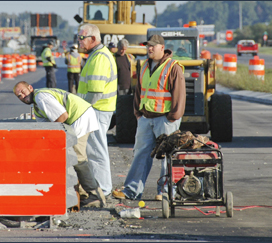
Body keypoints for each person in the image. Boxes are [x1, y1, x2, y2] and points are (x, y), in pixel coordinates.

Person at [112, 34, 186, 201]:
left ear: (162, 48)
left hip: (166, 120)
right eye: (148, 46)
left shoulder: (173, 67)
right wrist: (138, 114)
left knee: (168, 156)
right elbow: (139, 91)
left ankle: (165, 191)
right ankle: (132, 190)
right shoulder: (144, 65)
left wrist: (173, 117)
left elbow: (179, 94)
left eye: (153, 46)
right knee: (141, 154)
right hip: (146, 119)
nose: (149, 48)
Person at [13, 81, 107, 208]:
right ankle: (84, 195)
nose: (22, 96)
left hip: (80, 117)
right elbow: (45, 129)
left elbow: (62, 116)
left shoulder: (41, 97)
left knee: (78, 159)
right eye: (19, 96)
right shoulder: (37, 107)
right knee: (72, 157)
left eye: (23, 92)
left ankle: (96, 196)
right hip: (78, 117)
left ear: (30, 88)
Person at [77, 23, 117, 197]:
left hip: (96, 110)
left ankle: (103, 188)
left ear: (93, 39)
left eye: (81, 38)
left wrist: (81, 110)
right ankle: (99, 187)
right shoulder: (97, 55)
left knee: (97, 151)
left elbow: (95, 92)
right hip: (97, 110)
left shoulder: (99, 57)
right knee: (93, 150)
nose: (79, 41)